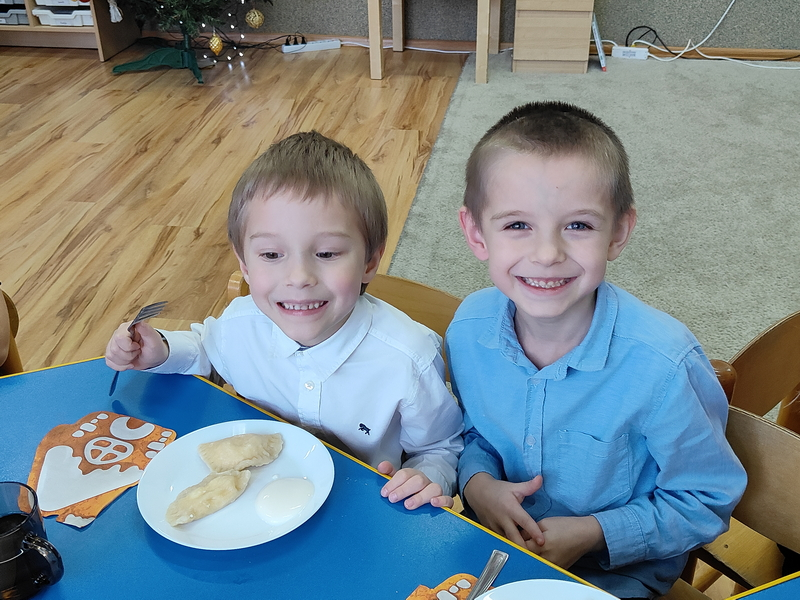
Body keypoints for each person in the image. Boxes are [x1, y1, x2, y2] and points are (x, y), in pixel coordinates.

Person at [446, 101, 747, 599]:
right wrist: (478, 484)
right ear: (477, 233)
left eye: (578, 225)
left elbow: (707, 499)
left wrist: (594, 533)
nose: (547, 254)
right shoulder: (467, 328)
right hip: (493, 547)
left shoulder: (664, 364)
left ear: (618, 233)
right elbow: (476, 431)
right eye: (517, 225)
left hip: (617, 574)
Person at [106, 131, 464, 510]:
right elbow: (206, 351)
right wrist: (160, 351)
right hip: (256, 502)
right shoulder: (239, 324)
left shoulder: (409, 359)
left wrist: (427, 477)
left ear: (370, 261)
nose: (298, 277)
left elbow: (440, 447)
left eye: (327, 253)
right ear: (244, 264)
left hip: (361, 507)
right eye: (272, 255)